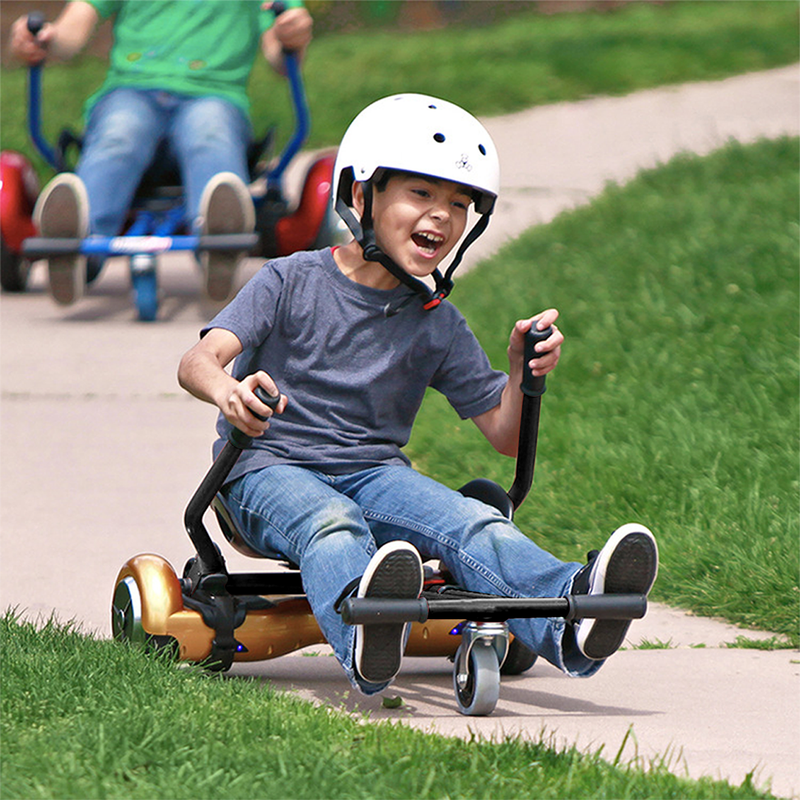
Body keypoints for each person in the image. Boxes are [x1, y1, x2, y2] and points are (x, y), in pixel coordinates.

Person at [177, 93, 659, 693]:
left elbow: (504, 437)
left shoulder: (437, 323)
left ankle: (573, 614)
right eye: (422, 195)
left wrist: (522, 372)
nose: (442, 216)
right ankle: (367, 635)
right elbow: (198, 360)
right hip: (263, 471)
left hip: (373, 473)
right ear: (362, 196)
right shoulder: (288, 280)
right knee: (334, 523)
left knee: (473, 521)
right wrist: (228, 392)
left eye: (460, 204)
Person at [9, 0, 313, 306]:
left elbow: (280, 52)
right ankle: (78, 248)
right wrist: (45, 38)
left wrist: (292, 36)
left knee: (210, 134)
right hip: (132, 91)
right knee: (120, 134)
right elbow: (72, 29)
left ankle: (218, 244)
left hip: (214, 93)